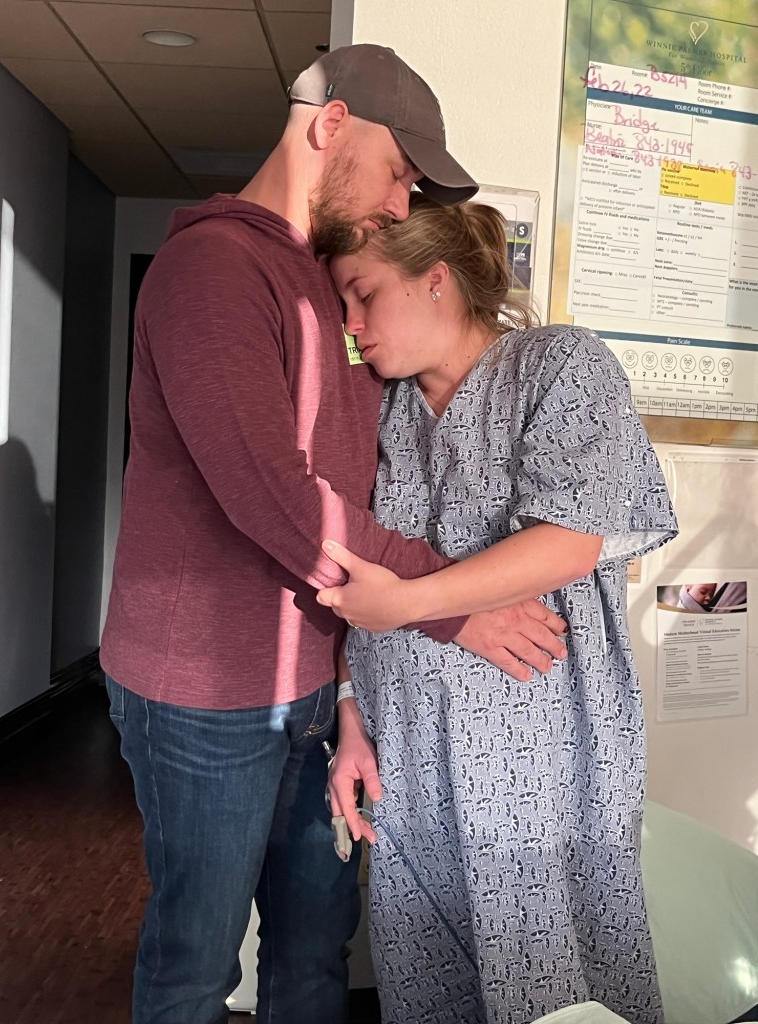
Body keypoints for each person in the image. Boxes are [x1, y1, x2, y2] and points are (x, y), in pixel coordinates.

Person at [100, 45, 569, 1024]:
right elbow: (276, 498)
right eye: (398, 172)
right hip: (202, 697)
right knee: (196, 965)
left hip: (313, 691)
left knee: (315, 949)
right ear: (331, 123)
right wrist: (455, 607)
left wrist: (350, 691)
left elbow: (366, 483)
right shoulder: (212, 270)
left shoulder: (333, 281)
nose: (401, 204)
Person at [318, 195, 679, 1024]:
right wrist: (350, 711)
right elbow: (350, 578)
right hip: (409, 759)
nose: (352, 326)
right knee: (427, 987)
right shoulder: (381, 410)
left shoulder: (560, 366)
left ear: (435, 280)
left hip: (540, 767)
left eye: (364, 295)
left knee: (552, 990)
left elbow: (569, 541)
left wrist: (410, 603)